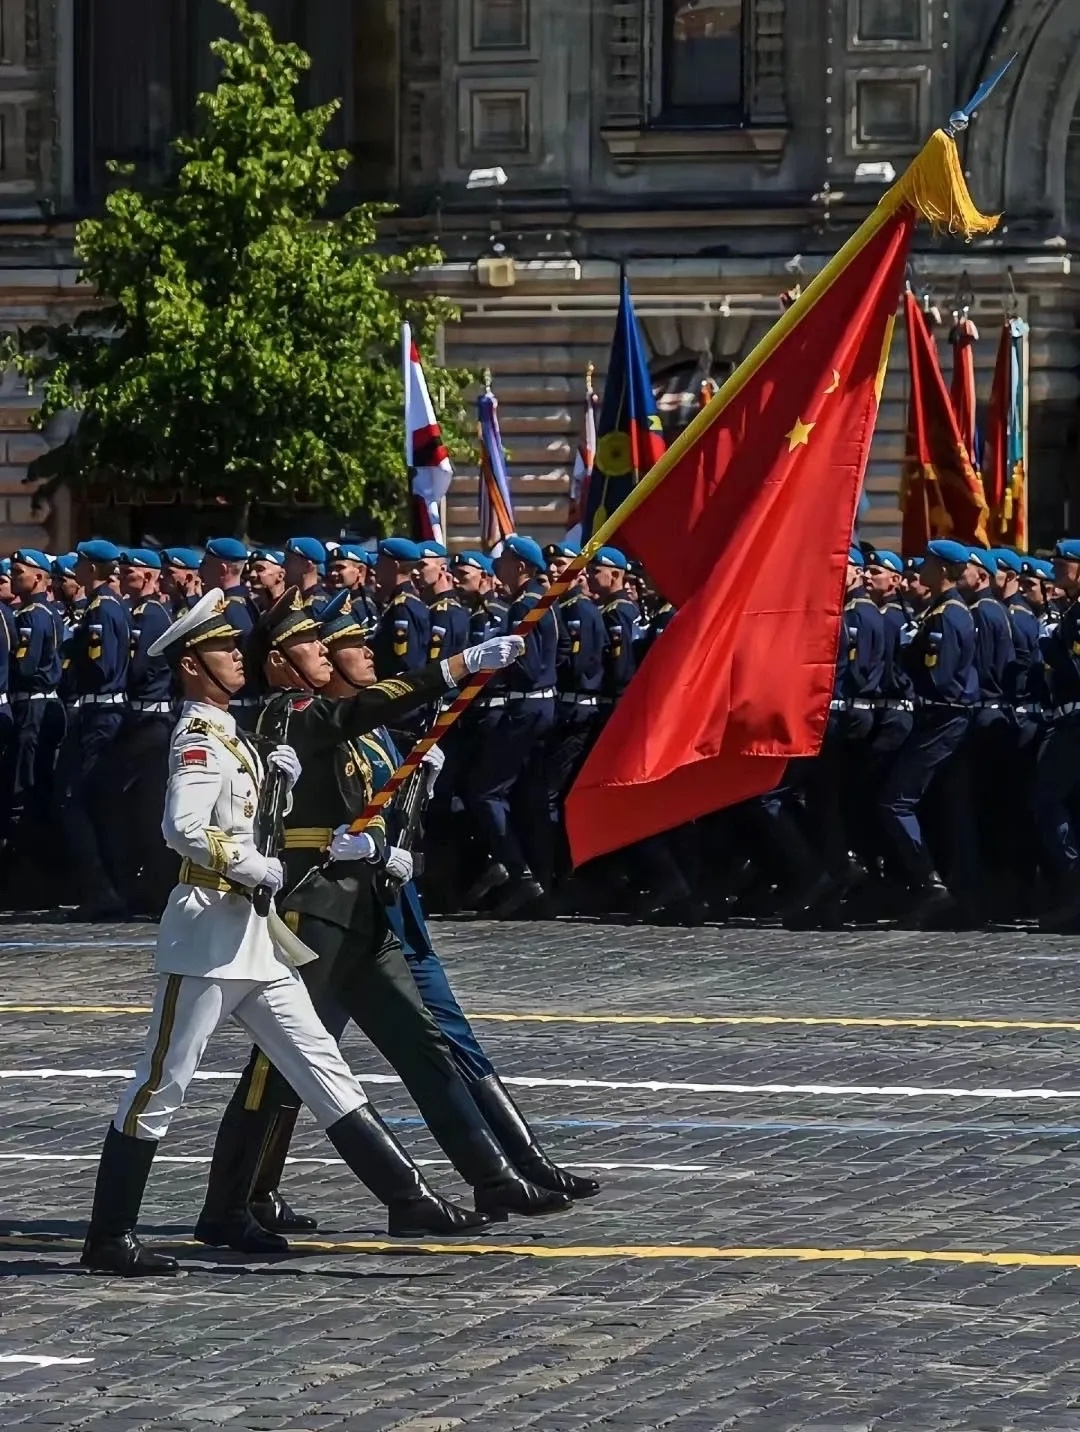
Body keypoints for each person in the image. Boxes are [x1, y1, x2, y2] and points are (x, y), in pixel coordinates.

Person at [80, 588, 497, 1278]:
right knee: (162, 1084)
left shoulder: (232, 735)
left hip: (254, 934)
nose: (235, 658)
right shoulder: (196, 737)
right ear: (192, 666)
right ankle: (109, 1235)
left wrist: (273, 797)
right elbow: (183, 829)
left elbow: (248, 819)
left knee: (320, 1065)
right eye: (219, 650)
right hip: (207, 933)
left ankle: (407, 1195)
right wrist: (252, 862)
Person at [195, 590, 577, 1248]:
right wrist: (458, 666)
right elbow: (349, 729)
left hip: (363, 910)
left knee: (421, 1043)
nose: (322, 651)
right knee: (279, 1067)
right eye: (310, 645)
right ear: (281, 666)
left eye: (322, 641)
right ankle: (228, 1205)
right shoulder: (287, 717)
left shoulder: (331, 716)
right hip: (311, 915)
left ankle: (489, 1176)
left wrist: (384, 845)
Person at [878, 539, 977, 927]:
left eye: (929, 564)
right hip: (943, 718)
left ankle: (929, 883)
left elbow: (939, 676)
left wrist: (909, 667)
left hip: (942, 718)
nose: (922, 569)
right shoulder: (940, 609)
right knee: (944, 808)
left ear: (942, 570)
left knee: (895, 802)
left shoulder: (947, 614)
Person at [464, 535, 557, 917]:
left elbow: (528, 664)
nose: (496, 567)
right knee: (527, 799)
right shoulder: (539, 601)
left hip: (525, 708)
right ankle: (530, 874)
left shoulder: (523, 605)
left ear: (520, 566)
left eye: (502, 560)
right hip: (540, 706)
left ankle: (518, 874)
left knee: (484, 792)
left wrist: (497, 668)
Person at [55, 539, 131, 919]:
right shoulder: (110, 606)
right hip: (105, 713)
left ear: (90, 568)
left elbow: (99, 667)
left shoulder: (101, 609)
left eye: (80, 564)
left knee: (78, 799)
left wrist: (72, 654)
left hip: (99, 714)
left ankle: (102, 891)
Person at [103, 549, 176, 914]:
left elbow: (139, 665)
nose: (122, 575)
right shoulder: (136, 612)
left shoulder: (152, 615)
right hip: (138, 720)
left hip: (150, 723)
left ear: (148, 577)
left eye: (129, 571)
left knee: (147, 811)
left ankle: (157, 890)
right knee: (134, 809)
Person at [6, 549, 65, 857]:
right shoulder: (51, 611)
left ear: (39, 577)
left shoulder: (31, 615)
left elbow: (25, 666)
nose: (14, 578)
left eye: (19, 572)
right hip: (45, 703)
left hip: (32, 706)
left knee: (24, 782)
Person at [283, 537, 331, 610]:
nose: (283, 566)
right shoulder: (294, 598)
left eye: (288, 560)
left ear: (308, 566)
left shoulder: (320, 605)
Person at [247, 548, 287, 613]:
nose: (252, 574)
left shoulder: (290, 607)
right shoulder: (252, 607)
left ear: (280, 575)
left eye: (260, 569)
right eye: (251, 570)